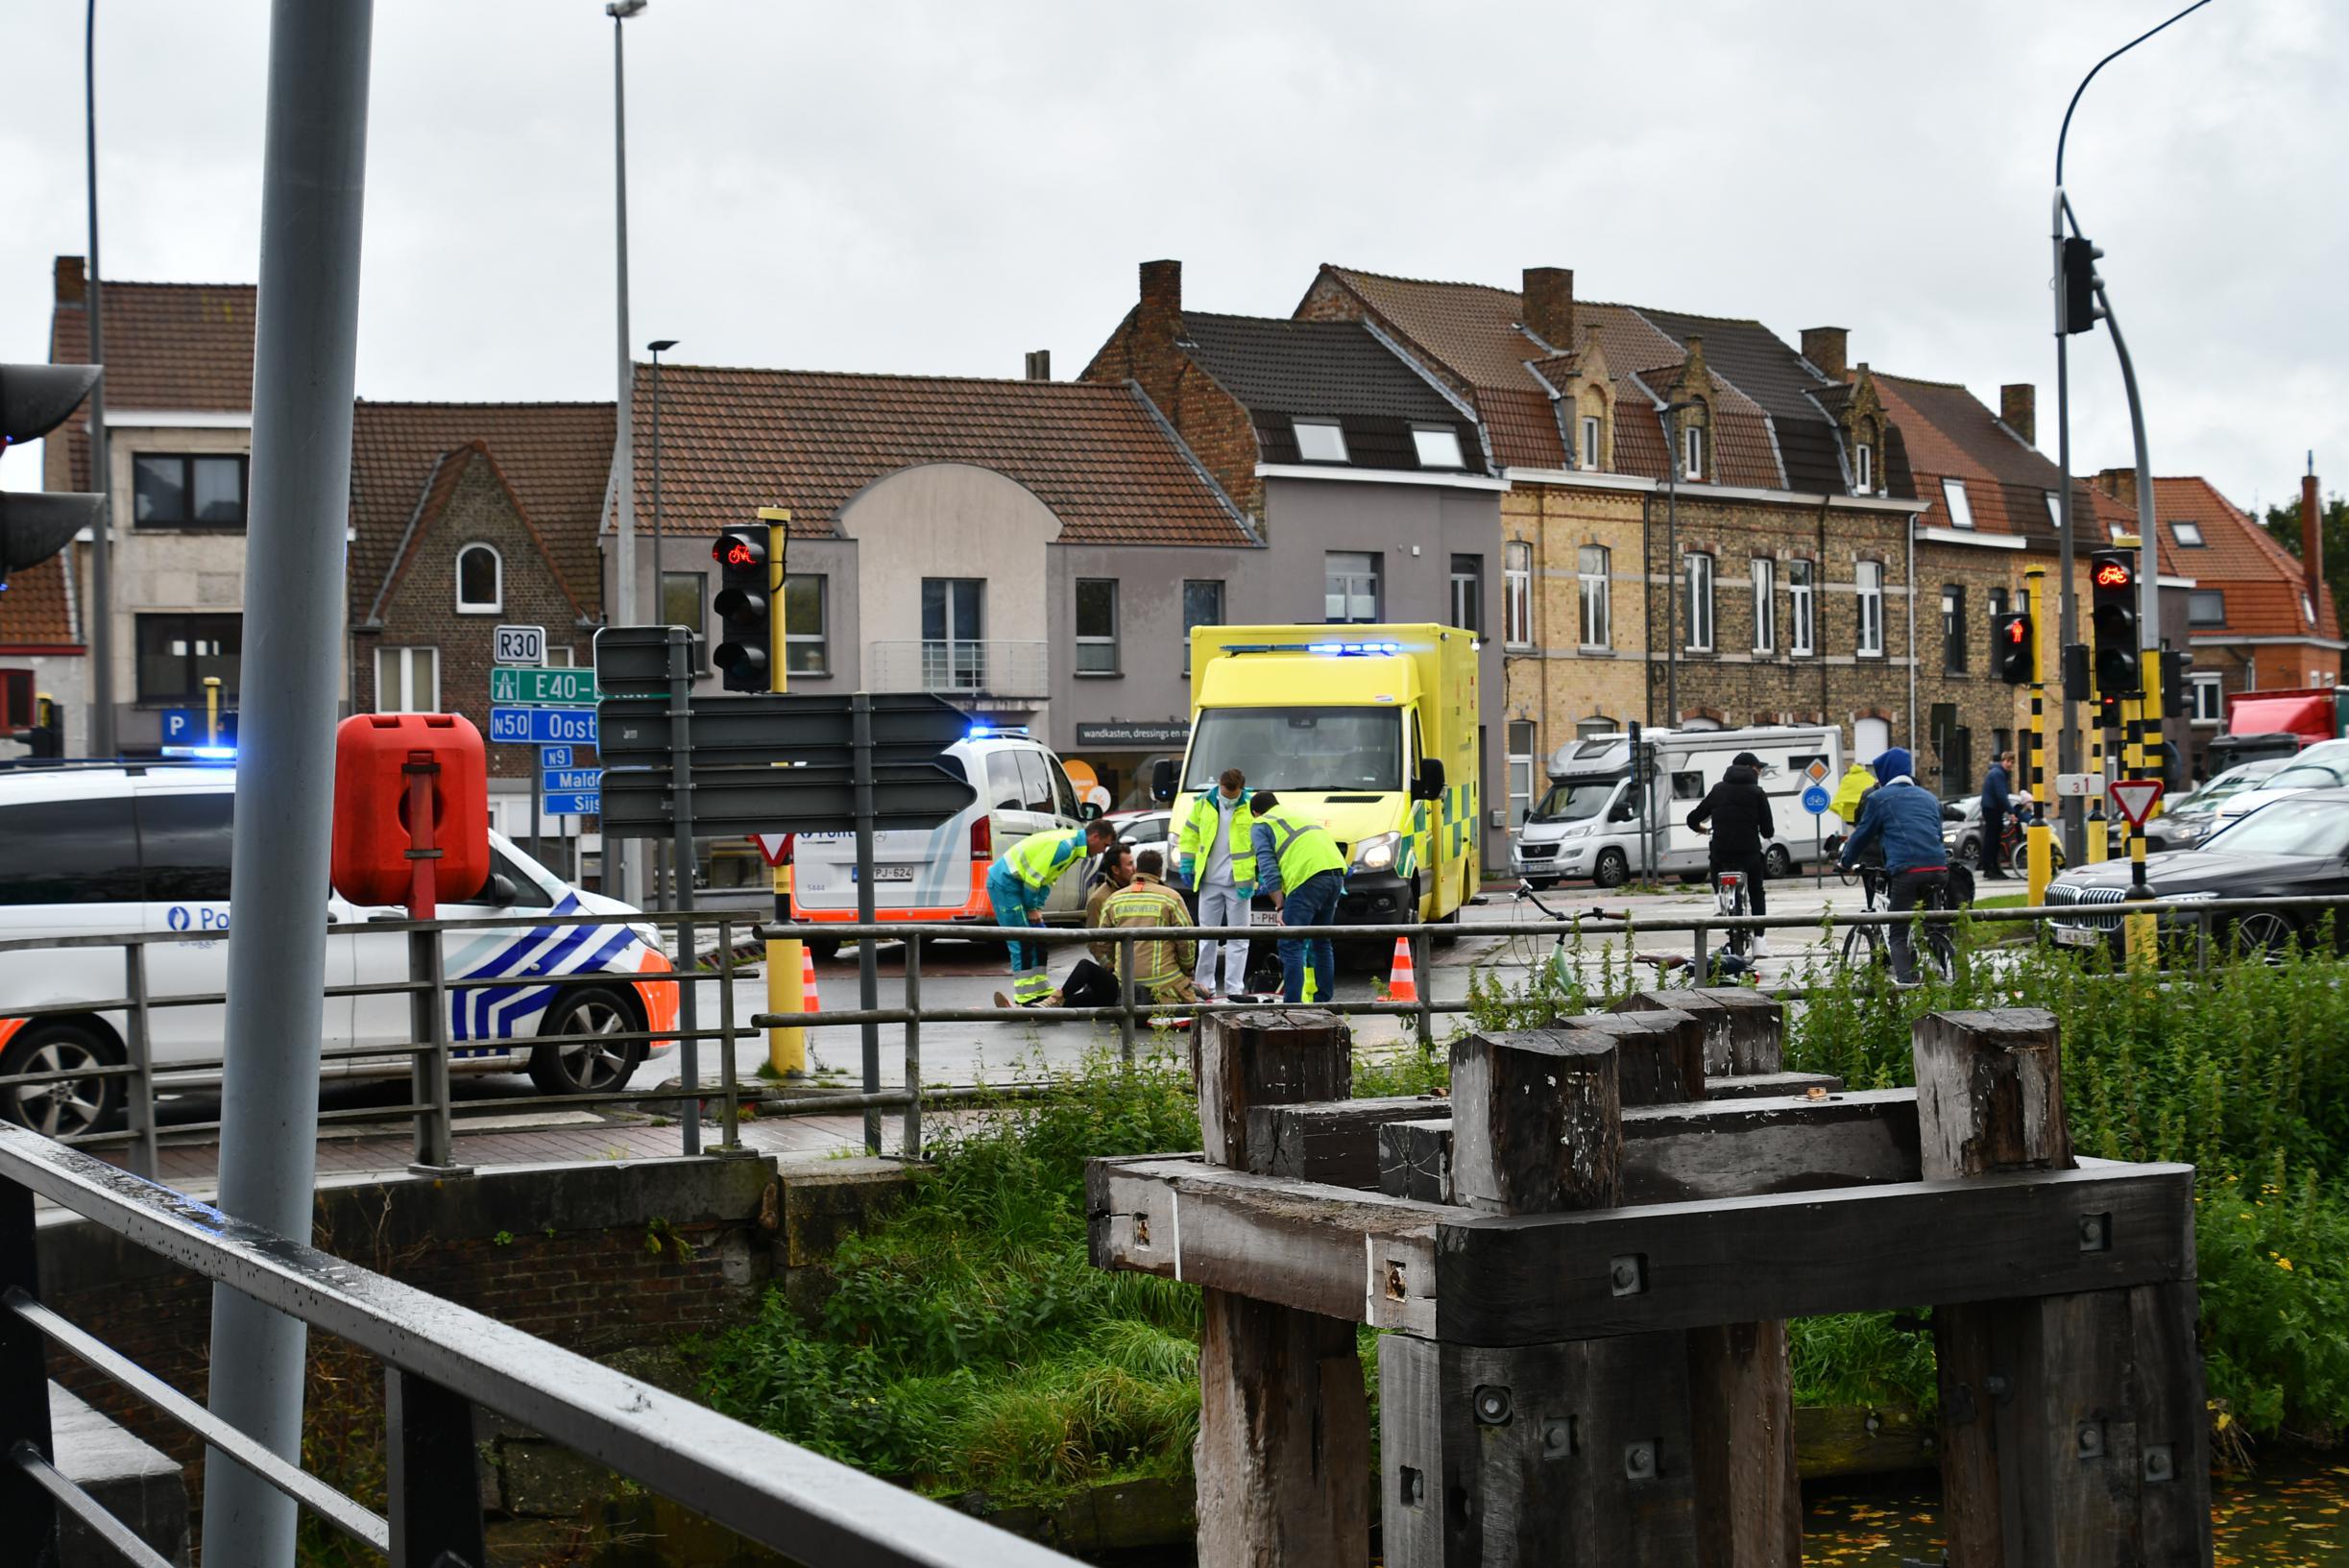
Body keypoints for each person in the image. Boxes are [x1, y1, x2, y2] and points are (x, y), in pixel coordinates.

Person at [1836, 747, 1950, 983]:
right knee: (1931, 925)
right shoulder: (1929, 798)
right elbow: (1936, 834)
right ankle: (1941, 966)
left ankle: (1907, 987)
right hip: (1939, 870)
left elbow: (1862, 835)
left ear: (1886, 772)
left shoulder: (1879, 799)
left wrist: (1845, 862)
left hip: (1907, 871)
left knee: (1898, 932)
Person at [988, 817, 1119, 1007]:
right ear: (1095, 837)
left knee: (1039, 938)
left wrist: (1037, 907)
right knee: (1021, 939)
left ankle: (1040, 990)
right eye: (1104, 845)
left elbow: (1048, 880)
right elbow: (1034, 878)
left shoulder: (1074, 848)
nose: (1103, 851)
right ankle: (1025, 996)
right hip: (1005, 883)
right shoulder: (1065, 847)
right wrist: (1032, 908)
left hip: (1018, 883)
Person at [1250, 791, 1348, 1004]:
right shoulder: (1297, 815)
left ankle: (1292, 1005)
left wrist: (1279, 905)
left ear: (1256, 812)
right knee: (1321, 942)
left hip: (1307, 880)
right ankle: (1322, 1001)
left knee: (1290, 942)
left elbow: (1268, 866)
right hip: (1335, 876)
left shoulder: (1261, 824)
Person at [1685, 751, 1777, 957]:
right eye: (1758, 768)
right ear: (1751, 769)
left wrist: (1703, 829)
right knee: (1756, 890)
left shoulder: (1718, 790)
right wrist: (1761, 829)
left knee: (1715, 862)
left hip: (1722, 853)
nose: (1760, 771)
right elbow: (1768, 831)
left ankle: (1719, 900)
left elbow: (1692, 818)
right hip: (1749, 852)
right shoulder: (1757, 792)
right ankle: (1760, 941)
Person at [1176, 767, 1255, 1001]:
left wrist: (1255, 877)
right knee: (1207, 936)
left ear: (1241, 789)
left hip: (1238, 881)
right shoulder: (1203, 804)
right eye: (1225, 792)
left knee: (1239, 938)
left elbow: (1260, 842)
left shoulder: (1250, 806)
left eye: (1232, 794)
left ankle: (1233, 990)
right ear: (1219, 785)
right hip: (1210, 880)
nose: (1228, 797)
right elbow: (1190, 835)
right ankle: (1204, 987)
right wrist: (1187, 864)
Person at [1101, 849, 1202, 1012]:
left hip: (1125, 982)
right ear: (1159, 871)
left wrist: (1117, 965)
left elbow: (1103, 941)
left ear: (1136, 869)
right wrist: (1187, 968)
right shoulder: (1171, 897)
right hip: (1165, 981)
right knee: (1193, 1005)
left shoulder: (1114, 899)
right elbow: (1187, 940)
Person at [1051, 842, 1136, 1009]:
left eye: (1134, 863)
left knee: (1077, 1000)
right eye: (1130, 864)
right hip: (1115, 972)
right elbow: (1094, 942)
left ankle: (1037, 1007)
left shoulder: (1138, 890)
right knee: (1076, 999)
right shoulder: (1099, 899)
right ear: (1115, 870)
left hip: (1134, 971)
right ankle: (1028, 1009)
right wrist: (1109, 966)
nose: (1134, 868)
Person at [1978, 751, 2015, 880]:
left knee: (1993, 839)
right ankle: (1990, 868)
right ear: (2002, 761)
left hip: (1992, 809)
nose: (2010, 764)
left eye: (2012, 762)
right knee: (1992, 840)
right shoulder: (1998, 774)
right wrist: (2011, 812)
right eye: (2008, 761)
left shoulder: (1997, 773)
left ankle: (1991, 866)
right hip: (1992, 809)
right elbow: (2001, 795)